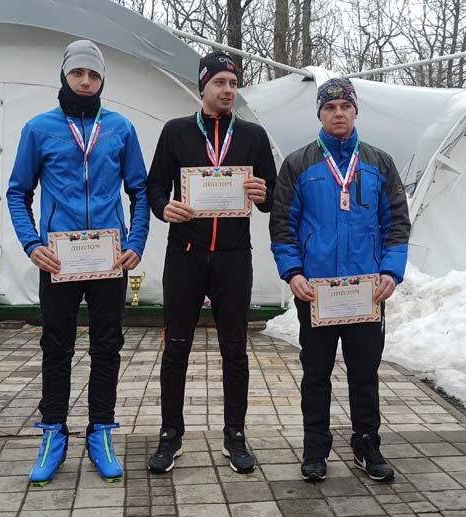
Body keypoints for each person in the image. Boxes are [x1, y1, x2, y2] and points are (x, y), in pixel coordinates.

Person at [7, 40, 149, 485]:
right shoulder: (39, 128)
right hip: (59, 260)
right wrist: (31, 244)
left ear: (102, 80)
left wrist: (136, 241)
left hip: (109, 258)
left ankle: (100, 431)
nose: (85, 81)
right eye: (78, 73)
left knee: (107, 346)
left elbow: (140, 190)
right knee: (56, 346)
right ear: (64, 76)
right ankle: (53, 433)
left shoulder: (120, 128)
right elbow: (17, 192)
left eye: (94, 75)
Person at [269, 78, 409, 483]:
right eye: (330, 108)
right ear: (320, 114)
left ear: (356, 111)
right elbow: (283, 224)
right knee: (316, 373)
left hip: (367, 290)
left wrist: (390, 271)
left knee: (364, 372)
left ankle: (367, 443)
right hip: (317, 292)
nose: (338, 114)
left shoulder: (379, 162)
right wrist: (293, 273)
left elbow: (397, 223)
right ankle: (315, 448)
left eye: (345, 106)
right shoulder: (298, 164)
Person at [145, 51, 276, 474]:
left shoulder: (253, 136)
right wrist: (164, 207)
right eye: (219, 82)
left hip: (234, 259)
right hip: (185, 256)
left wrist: (263, 194)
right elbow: (154, 186)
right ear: (202, 86)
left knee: (235, 348)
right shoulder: (176, 131)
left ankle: (235, 434)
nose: (228, 90)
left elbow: (273, 196)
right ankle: (171, 433)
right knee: (176, 346)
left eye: (233, 83)